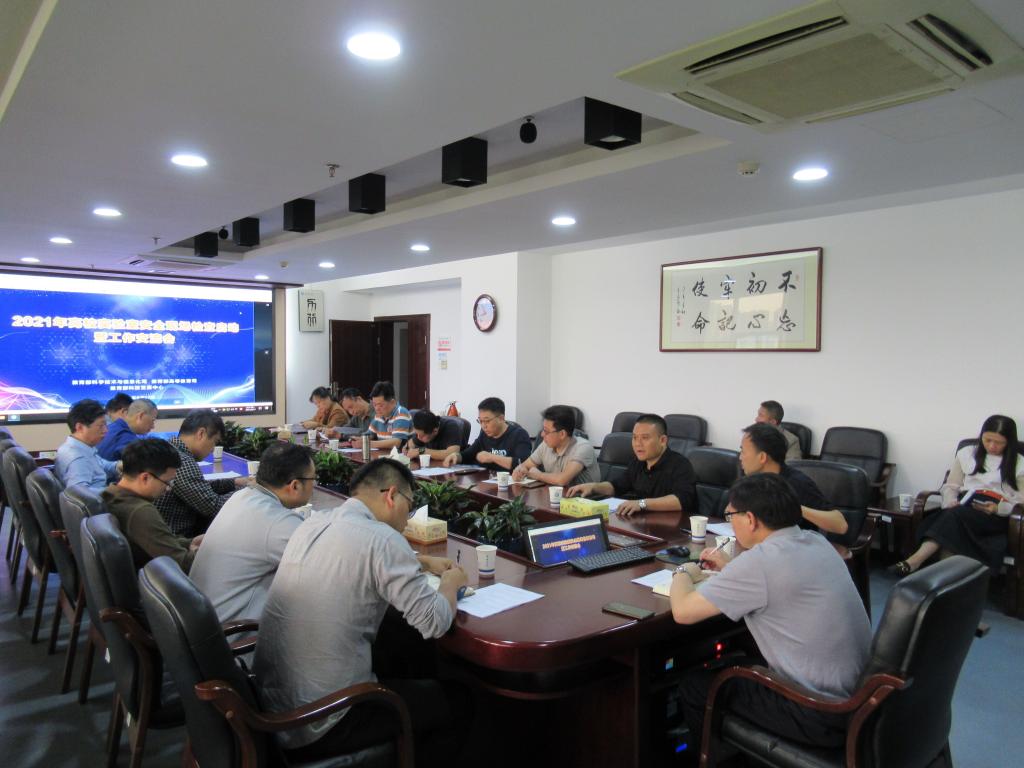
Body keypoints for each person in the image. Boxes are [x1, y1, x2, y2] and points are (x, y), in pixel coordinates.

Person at [254, 458, 469, 764]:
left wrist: (420, 561)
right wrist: (450, 582)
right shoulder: (383, 539)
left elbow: (357, 555)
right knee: (459, 699)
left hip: (273, 706)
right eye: (409, 506)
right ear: (391, 495)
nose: (408, 518)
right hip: (324, 720)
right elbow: (434, 622)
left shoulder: (314, 523)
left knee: (399, 649)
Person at [670, 473, 871, 748]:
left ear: (751, 519)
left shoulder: (759, 562)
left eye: (731, 516)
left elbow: (682, 611)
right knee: (741, 656)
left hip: (818, 712)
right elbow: (777, 581)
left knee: (696, 686)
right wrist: (732, 569)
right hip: (860, 701)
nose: (731, 523)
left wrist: (683, 572)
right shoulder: (816, 541)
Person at [190, 442, 312, 624]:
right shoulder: (279, 522)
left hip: (204, 621)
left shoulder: (241, 496)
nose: (314, 485)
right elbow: (324, 569)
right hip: (235, 634)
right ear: (295, 486)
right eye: (313, 479)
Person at [894, 414, 1024, 575]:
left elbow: (1021, 501)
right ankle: (946, 580)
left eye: (999, 443)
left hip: (995, 514)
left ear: (1009, 442)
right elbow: (951, 485)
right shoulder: (967, 453)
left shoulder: (1019, 463)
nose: (992, 446)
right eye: (987, 440)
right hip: (966, 504)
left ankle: (915, 562)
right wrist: (950, 501)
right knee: (954, 520)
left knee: (952, 518)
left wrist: (998, 508)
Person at [101, 438, 202, 572]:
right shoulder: (140, 512)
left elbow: (156, 539)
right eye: (167, 482)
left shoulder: (110, 493)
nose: (168, 489)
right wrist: (207, 551)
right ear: (145, 478)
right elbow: (183, 564)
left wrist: (190, 542)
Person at [566, 414, 696, 518]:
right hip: (641, 523)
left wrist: (642, 504)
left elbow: (682, 500)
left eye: (645, 438)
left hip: (670, 529)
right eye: (634, 438)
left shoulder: (680, 464)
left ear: (662, 440)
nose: (638, 443)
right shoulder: (637, 462)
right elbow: (617, 486)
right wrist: (593, 487)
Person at [739, 423, 848, 534]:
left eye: (743, 452)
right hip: (758, 541)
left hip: (794, 543)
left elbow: (841, 525)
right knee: (729, 543)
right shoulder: (751, 480)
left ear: (762, 457)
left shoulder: (797, 483)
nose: (740, 457)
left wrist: (794, 507)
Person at [155, 408, 248, 537]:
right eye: (214, 441)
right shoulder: (181, 461)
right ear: (201, 433)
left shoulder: (171, 449)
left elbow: (200, 487)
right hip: (177, 539)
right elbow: (213, 507)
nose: (213, 449)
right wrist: (248, 491)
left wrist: (234, 482)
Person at [512, 404, 600, 487]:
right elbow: (525, 465)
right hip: (556, 495)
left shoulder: (583, 448)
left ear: (562, 434)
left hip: (584, 497)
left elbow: (562, 480)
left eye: (546, 431)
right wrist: (519, 471)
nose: (542, 434)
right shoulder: (546, 444)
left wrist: (537, 475)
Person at [443, 397, 532, 471]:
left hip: (510, 483)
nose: (483, 426)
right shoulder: (485, 434)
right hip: (487, 481)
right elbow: (469, 454)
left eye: (487, 421)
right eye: (480, 421)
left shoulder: (519, 435)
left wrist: (492, 457)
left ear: (501, 418)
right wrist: (456, 456)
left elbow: (523, 464)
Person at [54, 399, 119, 491]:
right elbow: (80, 494)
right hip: (99, 499)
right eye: (101, 426)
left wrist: (118, 466)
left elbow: (101, 464)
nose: (106, 430)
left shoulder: (80, 447)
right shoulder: (78, 458)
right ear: (80, 427)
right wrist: (115, 490)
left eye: (106, 425)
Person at [350, 380, 412, 450]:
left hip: (401, 455)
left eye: (381, 405)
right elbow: (370, 435)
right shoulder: (379, 415)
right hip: (384, 454)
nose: (377, 408)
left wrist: (367, 444)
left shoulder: (401, 413)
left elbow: (396, 443)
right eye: (374, 404)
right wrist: (359, 439)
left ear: (392, 402)